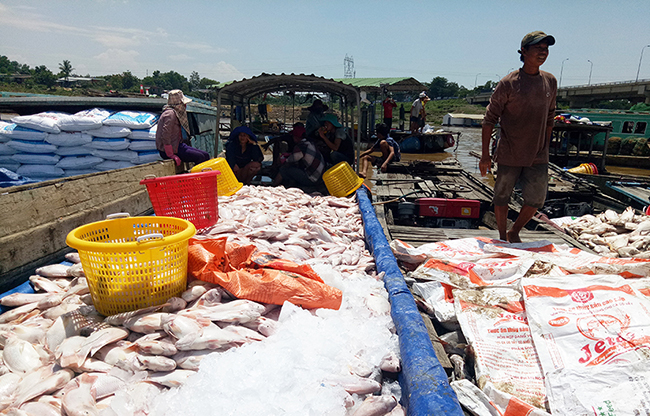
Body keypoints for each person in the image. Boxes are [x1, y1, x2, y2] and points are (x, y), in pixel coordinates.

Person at [479, 30, 557, 243]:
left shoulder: (550, 81)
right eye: (538, 48)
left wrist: (545, 145)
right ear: (524, 51)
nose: (543, 53)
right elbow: (489, 120)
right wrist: (485, 155)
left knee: (536, 199)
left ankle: (515, 231)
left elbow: (550, 117)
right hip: (510, 151)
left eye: (546, 49)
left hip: (538, 154)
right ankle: (503, 236)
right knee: (501, 196)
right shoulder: (509, 83)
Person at [156, 89, 210, 166]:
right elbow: (165, 135)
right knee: (200, 157)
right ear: (179, 104)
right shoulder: (170, 114)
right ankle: (197, 177)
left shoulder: (176, 113)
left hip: (178, 145)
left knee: (206, 155)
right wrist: (170, 154)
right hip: (169, 150)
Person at [272, 122, 325, 192]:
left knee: (284, 169)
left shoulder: (300, 147)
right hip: (320, 177)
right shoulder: (310, 143)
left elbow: (289, 161)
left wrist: (280, 160)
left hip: (312, 179)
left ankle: (272, 187)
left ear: (296, 137)